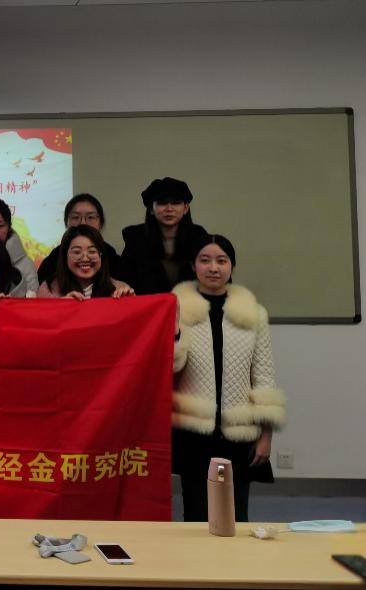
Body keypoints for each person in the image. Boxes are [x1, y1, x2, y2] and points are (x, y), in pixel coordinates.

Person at [171, 234, 286, 522]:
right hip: (194, 432)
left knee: (236, 517)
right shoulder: (176, 309)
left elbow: (264, 376)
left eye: (221, 261)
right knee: (196, 515)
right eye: (205, 260)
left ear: (232, 266)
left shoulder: (253, 314)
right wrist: (174, 331)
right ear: (193, 265)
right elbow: (171, 368)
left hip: (239, 433)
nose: (213, 268)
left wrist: (266, 435)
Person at [122, 177, 208, 294]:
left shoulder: (199, 237)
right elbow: (126, 281)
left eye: (176, 203)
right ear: (151, 209)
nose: (169, 209)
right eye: (162, 203)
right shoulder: (135, 240)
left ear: (185, 208)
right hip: (151, 304)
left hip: (191, 304)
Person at [37, 193, 136, 288]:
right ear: (66, 222)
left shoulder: (114, 260)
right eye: (75, 217)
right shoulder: (52, 261)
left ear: (101, 223)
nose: (83, 223)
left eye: (91, 217)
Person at [37, 225, 135, 300]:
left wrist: (130, 300)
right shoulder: (48, 289)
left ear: (101, 255)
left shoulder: (119, 288)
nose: (85, 258)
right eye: (77, 252)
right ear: (64, 256)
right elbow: (40, 319)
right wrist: (61, 306)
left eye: (92, 251)